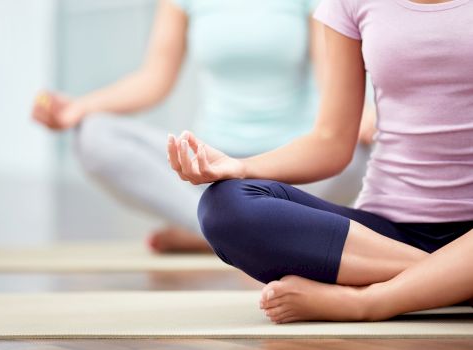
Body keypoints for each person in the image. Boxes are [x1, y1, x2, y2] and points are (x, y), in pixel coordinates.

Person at [167, 0, 473, 322]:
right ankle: (450, 281)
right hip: (381, 239)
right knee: (224, 206)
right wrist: (240, 167)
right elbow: (331, 143)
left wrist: (369, 301)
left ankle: (370, 300)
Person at [32, 0, 375, 253]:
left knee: (356, 154)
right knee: (95, 135)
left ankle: (215, 229)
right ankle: (230, 229)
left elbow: (331, 82)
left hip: (291, 167)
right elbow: (153, 80)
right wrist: (78, 109)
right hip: (210, 168)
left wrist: (372, 123)